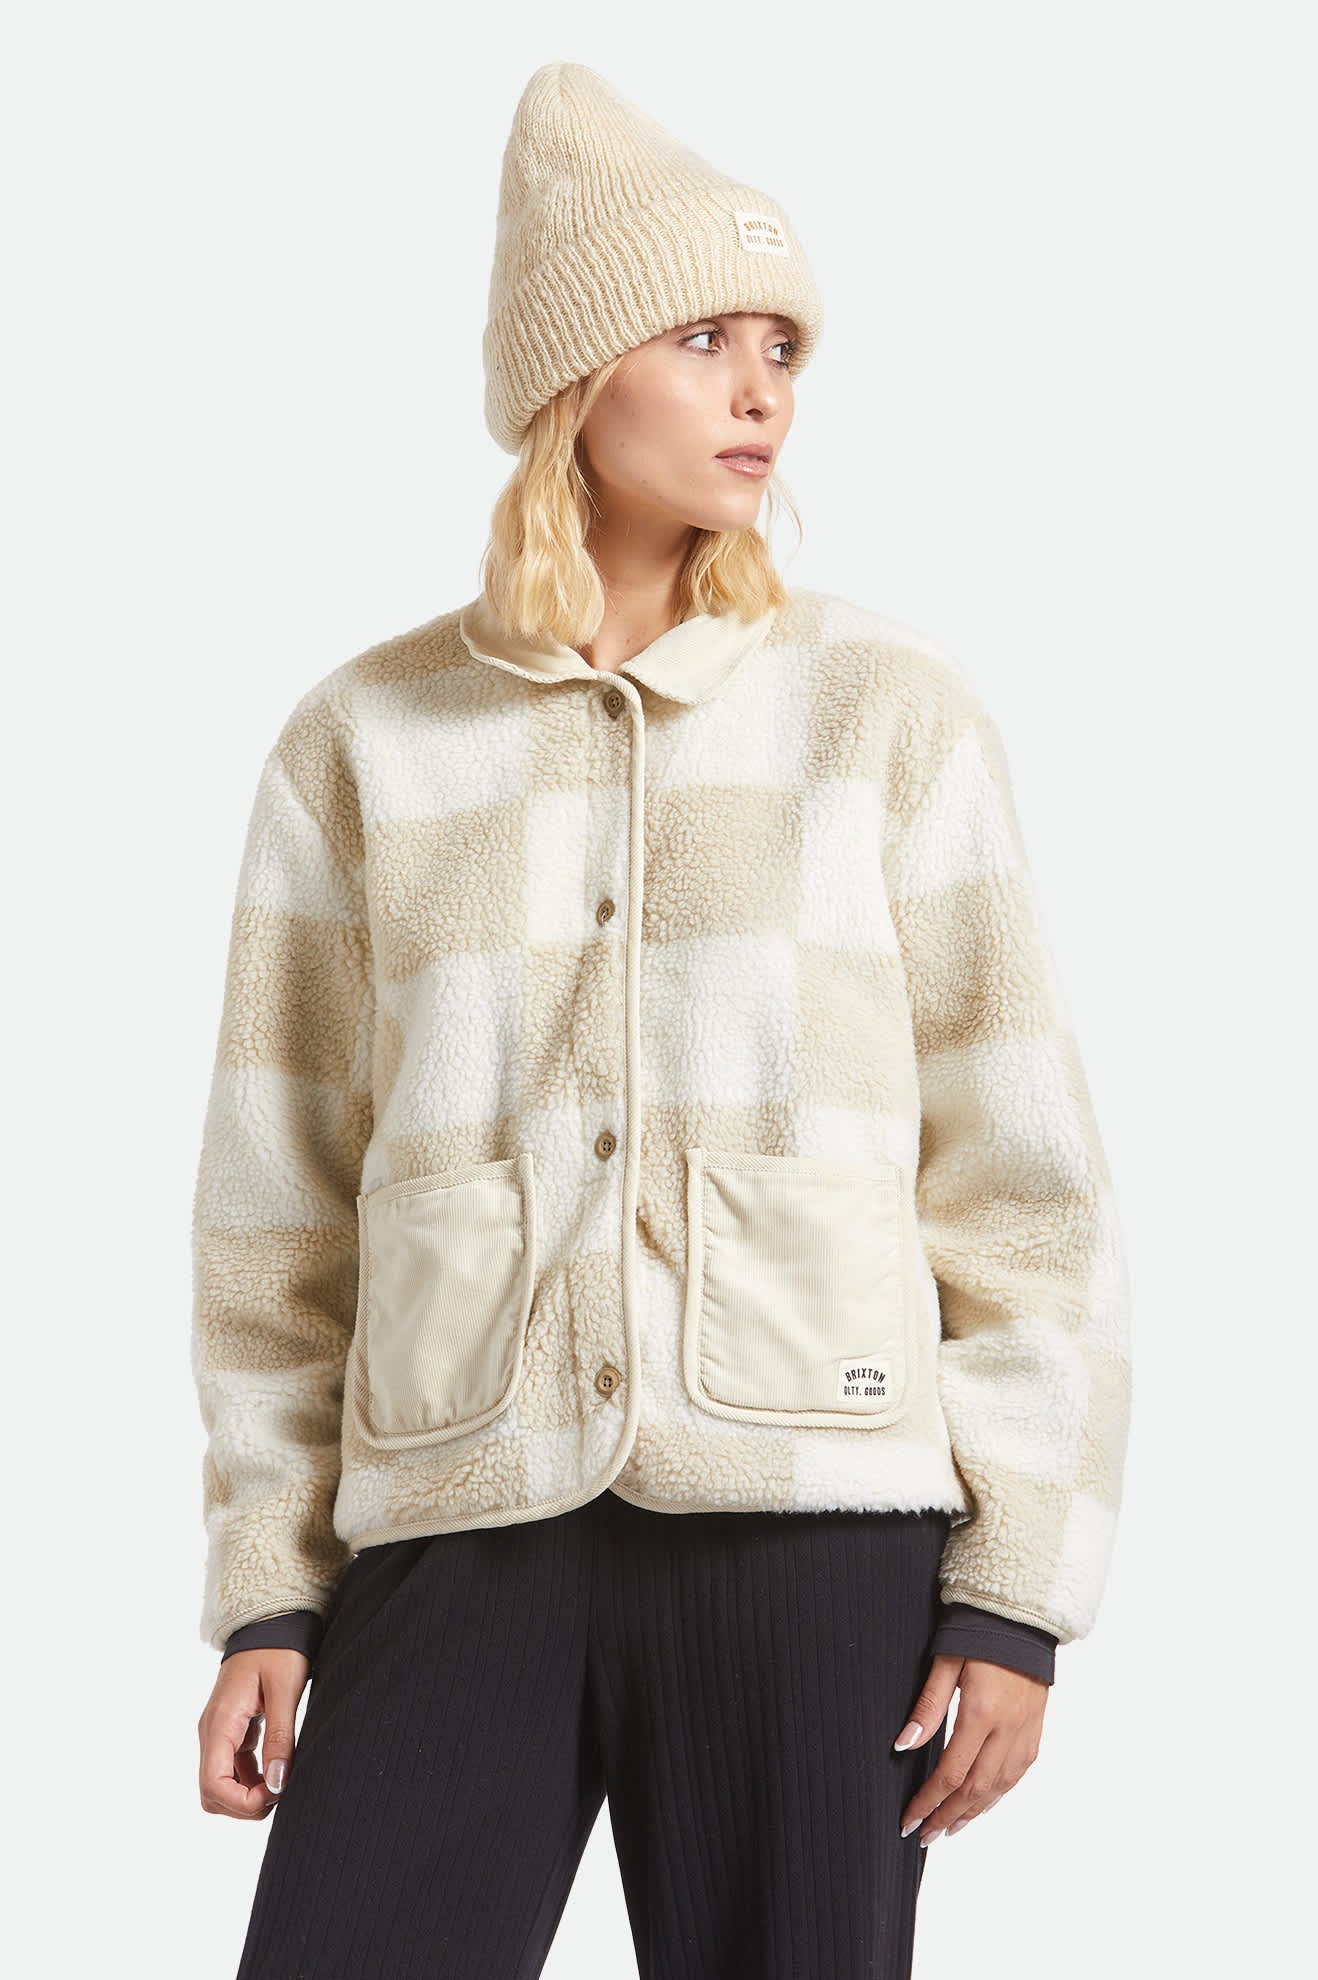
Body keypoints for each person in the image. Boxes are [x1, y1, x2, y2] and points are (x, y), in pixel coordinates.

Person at [192, 60, 1132, 1980]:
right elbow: (275, 1211)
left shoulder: (889, 717)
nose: (758, 390)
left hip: (814, 1528)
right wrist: (270, 1591)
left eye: (780, 346)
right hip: (461, 1515)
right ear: (569, 376)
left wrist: (1013, 1588)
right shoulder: (365, 738)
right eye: (701, 339)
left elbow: (1021, 1180)